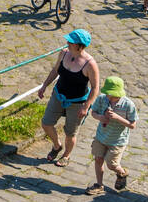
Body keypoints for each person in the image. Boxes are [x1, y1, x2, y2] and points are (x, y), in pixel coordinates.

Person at [36, 29, 100, 167]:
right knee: (46, 123)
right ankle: (57, 146)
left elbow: (95, 88)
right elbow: (55, 70)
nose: (67, 42)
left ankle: (66, 155)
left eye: (70, 41)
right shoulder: (64, 53)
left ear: (79, 45)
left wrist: (86, 106)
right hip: (58, 95)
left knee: (70, 133)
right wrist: (44, 86)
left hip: (77, 103)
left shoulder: (90, 64)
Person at [86, 76, 138, 195]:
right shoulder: (101, 99)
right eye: (108, 93)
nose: (109, 96)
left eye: (112, 94)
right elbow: (93, 113)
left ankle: (122, 173)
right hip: (101, 137)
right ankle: (99, 185)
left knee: (111, 164)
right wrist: (101, 117)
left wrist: (117, 117)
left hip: (117, 141)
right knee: (98, 159)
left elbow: (132, 125)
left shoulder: (128, 105)